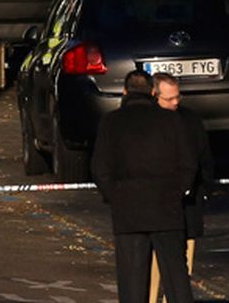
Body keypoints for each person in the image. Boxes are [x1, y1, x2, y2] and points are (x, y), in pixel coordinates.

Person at [91, 70, 197, 303]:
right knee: (176, 279)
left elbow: (100, 168)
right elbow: (189, 163)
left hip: (128, 209)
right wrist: (177, 191)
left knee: (132, 284)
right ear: (152, 92)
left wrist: (115, 196)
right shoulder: (171, 120)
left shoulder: (111, 122)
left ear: (125, 92)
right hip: (167, 206)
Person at [148, 72, 214, 303]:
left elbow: (204, 159)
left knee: (183, 265)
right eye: (169, 99)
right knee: (155, 261)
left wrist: (202, 192)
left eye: (178, 97)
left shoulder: (190, 120)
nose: (175, 102)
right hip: (157, 203)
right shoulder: (148, 121)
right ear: (154, 94)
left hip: (187, 203)